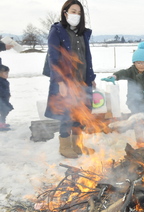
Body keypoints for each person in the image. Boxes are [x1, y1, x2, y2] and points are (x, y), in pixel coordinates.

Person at [44, 0, 96, 158]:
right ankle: (65, 146)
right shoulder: (57, 31)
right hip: (66, 81)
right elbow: (53, 58)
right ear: (65, 12)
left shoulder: (82, 33)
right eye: (73, 11)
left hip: (82, 81)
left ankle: (77, 143)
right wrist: (60, 81)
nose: (76, 15)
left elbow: (87, 57)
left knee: (80, 113)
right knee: (67, 114)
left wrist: (91, 77)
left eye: (79, 13)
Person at [101, 41, 144, 144]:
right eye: (139, 62)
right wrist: (115, 76)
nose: (141, 65)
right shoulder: (131, 71)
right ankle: (140, 139)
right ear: (134, 63)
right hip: (133, 100)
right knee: (137, 118)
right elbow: (123, 73)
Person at [0, 62, 13, 131]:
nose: (7, 75)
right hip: (1, 99)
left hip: (4, 99)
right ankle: (1, 123)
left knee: (5, 110)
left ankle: (2, 122)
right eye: (5, 73)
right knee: (4, 109)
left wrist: (8, 94)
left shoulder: (4, 81)